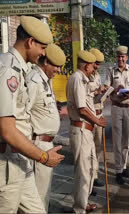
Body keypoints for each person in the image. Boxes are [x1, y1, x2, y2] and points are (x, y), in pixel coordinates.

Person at [0, 16, 64, 213]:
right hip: (7, 165)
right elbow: (7, 131)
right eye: (42, 48)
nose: (43, 53)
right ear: (30, 42)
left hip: (20, 160)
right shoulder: (8, 70)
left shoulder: (19, 69)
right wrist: (43, 157)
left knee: (38, 210)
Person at [26, 43, 66, 212]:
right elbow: (22, 113)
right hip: (37, 143)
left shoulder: (45, 80)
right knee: (38, 198)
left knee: (44, 194)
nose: (58, 70)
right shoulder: (34, 80)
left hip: (46, 144)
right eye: (55, 66)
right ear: (46, 62)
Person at [66, 50, 107, 213]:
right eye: (92, 65)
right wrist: (97, 120)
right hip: (80, 129)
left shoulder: (84, 80)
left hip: (87, 130)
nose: (94, 68)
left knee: (90, 169)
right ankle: (79, 208)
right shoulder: (77, 79)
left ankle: (83, 203)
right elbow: (82, 109)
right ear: (87, 65)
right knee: (82, 171)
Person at [104, 46, 129, 185]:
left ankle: (123, 167)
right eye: (119, 57)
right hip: (117, 108)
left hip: (128, 108)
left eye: (123, 57)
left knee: (126, 141)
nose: (121, 59)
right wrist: (114, 89)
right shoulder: (111, 71)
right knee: (117, 141)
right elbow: (106, 88)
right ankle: (118, 171)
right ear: (116, 58)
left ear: (126, 57)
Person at [88, 48, 106, 189]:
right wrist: (97, 92)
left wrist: (104, 92)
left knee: (98, 148)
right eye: (96, 63)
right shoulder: (85, 76)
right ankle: (89, 179)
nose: (97, 66)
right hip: (90, 116)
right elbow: (85, 96)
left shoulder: (98, 75)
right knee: (89, 150)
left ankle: (95, 176)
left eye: (99, 64)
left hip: (99, 114)